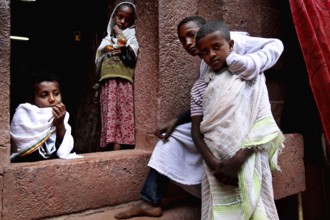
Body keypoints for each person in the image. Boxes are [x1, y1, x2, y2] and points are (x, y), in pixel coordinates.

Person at [114, 15, 284, 219]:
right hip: (214, 129)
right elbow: (209, 103)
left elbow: (275, 46)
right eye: (183, 40)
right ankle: (150, 200)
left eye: (191, 35)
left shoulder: (238, 46)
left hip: (245, 129)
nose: (188, 43)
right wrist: (177, 121)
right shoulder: (205, 69)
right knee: (172, 139)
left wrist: (248, 64)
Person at [191, 20, 285, 219]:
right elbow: (197, 131)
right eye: (204, 52)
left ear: (231, 45)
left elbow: (263, 119)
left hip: (247, 159)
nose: (211, 55)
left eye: (216, 47)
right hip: (215, 165)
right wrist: (215, 165)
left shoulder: (250, 76)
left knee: (255, 210)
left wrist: (238, 160)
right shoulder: (199, 87)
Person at [93, 1, 139, 151]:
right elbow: (99, 60)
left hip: (122, 82)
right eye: (120, 17)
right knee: (108, 114)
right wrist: (97, 86)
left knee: (120, 114)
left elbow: (131, 56)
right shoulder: (106, 40)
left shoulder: (131, 37)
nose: (123, 22)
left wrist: (120, 36)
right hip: (107, 83)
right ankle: (109, 146)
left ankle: (118, 147)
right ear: (114, 17)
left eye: (128, 19)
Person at [10, 70, 82, 162]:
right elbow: (23, 151)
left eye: (56, 94)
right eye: (44, 95)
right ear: (32, 99)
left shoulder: (62, 115)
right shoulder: (22, 114)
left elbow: (65, 149)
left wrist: (60, 124)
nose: (52, 99)